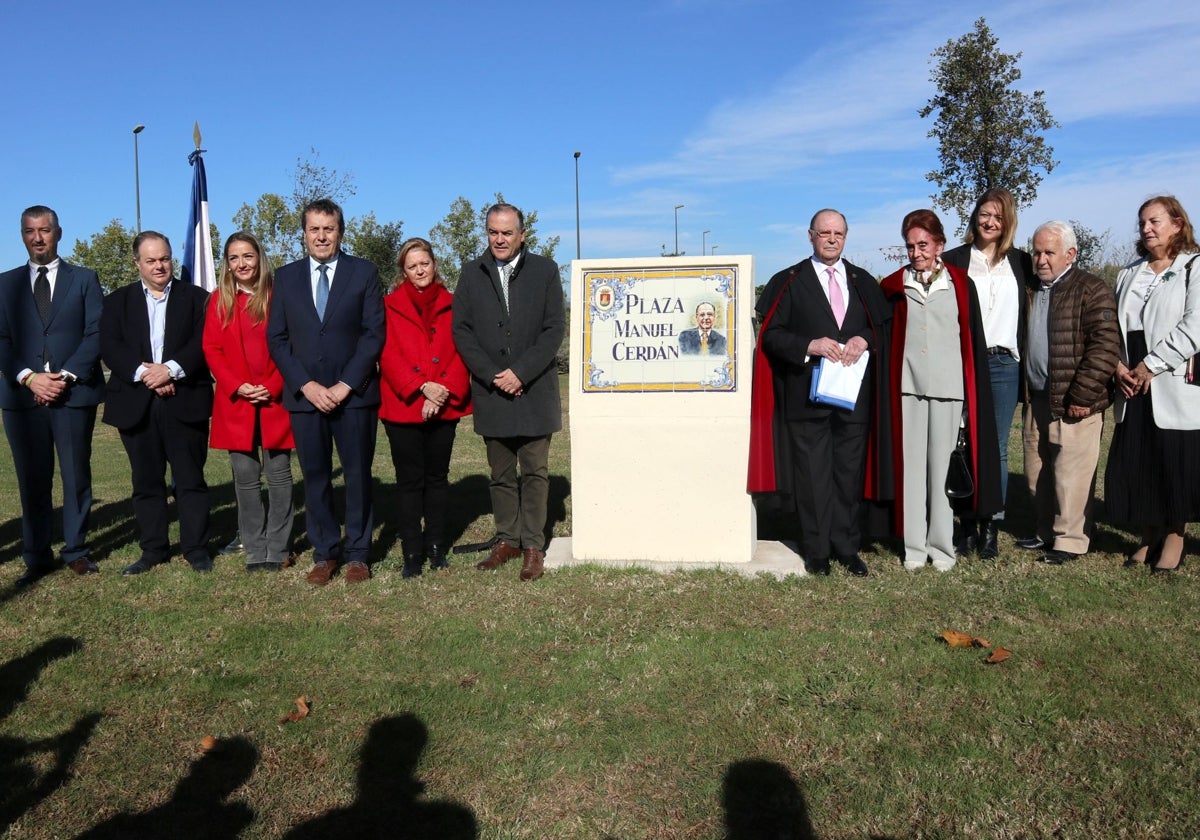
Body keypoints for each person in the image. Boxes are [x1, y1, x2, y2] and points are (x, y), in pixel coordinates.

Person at [751, 209, 893, 576]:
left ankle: (846, 547)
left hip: (853, 399)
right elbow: (771, 336)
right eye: (825, 232)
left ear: (846, 237)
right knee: (813, 478)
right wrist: (809, 344)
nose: (832, 239)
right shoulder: (790, 280)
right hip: (806, 397)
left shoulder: (862, 281)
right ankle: (816, 550)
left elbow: (884, 328)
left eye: (839, 234)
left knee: (848, 474)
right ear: (810, 235)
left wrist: (865, 339)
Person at [267, 199, 384, 585]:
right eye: (314, 229)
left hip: (354, 398)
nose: (321, 236)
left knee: (357, 475)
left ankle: (357, 555)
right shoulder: (284, 278)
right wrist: (308, 385)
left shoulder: (364, 273)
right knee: (315, 477)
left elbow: (373, 335)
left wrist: (344, 385)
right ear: (303, 234)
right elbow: (278, 339)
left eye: (328, 229)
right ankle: (324, 554)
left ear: (340, 232)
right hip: (305, 398)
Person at [879, 209, 1001, 572]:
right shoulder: (894, 286)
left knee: (942, 472)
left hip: (951, 389)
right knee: (913, 471)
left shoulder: (962, 284)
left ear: (940, 245)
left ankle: (943, 548)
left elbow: (971, 340)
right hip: (909, 388)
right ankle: (914, 548)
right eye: (910, 245)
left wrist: (969, 396)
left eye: (923, 244)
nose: (917, 252)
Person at [452, 203, 565, 582]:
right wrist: (491, 375)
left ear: (521, 234)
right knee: (500, 474)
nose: (499, 239)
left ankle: (532, 544)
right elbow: (462, 332)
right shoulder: (471, 274)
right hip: (492, 392)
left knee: (535, 472)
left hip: (534, 390)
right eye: (492, 232)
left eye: (506, 232)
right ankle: (508, 539)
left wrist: (521, 372)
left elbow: (554, 329)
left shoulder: (545, 271)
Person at [0, 206, 105, 585]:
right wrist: (30, 378)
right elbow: (2, 340)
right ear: (22, 235)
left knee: (76, 475)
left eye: (45, 230)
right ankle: (36, 555)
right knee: (33, 478)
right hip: (22, 398)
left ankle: (76, 550)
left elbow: (96, 332)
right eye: (30, 231)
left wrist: (65, 376)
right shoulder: (4, 284)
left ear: (58, 233)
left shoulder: (85, 279)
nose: (38, 237)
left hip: (72, 393)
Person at [100, 231, 213, 574]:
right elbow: (110, 346)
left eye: (164, 258)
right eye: (150, 260)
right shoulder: (116, 301)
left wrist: (170, 370)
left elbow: (202, 343)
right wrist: (146, 374)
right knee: (146, 482)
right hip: (136, 402)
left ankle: (196, 549)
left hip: (185, 400)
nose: (159, 266)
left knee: (190, 479)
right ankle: (153, 550)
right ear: (137, 263)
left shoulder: (198, 299)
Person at [1105, 196, 1200, 574]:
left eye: (1155, 221)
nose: (1146, 229)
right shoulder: (1130, 272)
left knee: (1172, 459)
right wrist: (1118, 367)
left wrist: (1150, 365)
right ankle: (1148, 534)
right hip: (1130, 378)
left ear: (1177, 224)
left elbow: (1195, 327)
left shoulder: (1193, 267)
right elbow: (1112, 325)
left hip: (1168, 376)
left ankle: (1175, 535)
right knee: (1140, 459)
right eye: (1142, 222)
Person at [1015, 221, 1119, 565]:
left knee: (1070, 477)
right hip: (1038, 397)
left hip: (1075, 402)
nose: (1041, 259)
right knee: (1038, 473)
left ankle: (1070, 541)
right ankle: (1046, 531)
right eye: (1037, 251)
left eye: (1049, 252)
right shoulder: (1032, 289)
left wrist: (1082, 397)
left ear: (1070, 255)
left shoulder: (1092, 289)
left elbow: (1105, 348)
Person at [943, 189, 1035, 559]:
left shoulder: (1022, 263)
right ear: (974, 217)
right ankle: (965, 526)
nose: (990, 222)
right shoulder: (954, 260)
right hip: (963, 360)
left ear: (1008, 221)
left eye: (998, 216)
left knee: (995, 447)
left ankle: (990, 526)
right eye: (984, 214)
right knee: (961, 442)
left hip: (1003, 364)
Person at [202, 233, 295, 573]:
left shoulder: (279, 297)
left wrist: (272, 385)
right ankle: (254, 547)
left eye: (248, 256)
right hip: (236, 401)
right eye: (234, 258)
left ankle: (279, 546)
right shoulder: (218, 301)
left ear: (260, 258)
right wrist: (237, 385)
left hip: (275, 399)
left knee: (279, 474)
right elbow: (212, 349)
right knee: (245, 477)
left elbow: (291, 345)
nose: (241, 264)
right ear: (226, 263)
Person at [380, 238, 472, 578]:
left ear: (434, 264)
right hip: (403, 405)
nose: (420, 270)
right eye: (412, 265)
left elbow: (464, 349)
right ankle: (411, 552)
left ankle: (435, 547)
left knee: (437, 479)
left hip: (444, 404)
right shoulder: (388, 305)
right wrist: (420, 387)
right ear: (403, 271)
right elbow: (386, 352)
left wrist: (441, 391)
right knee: (409, 482)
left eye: (425, 263)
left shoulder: (455, 303)